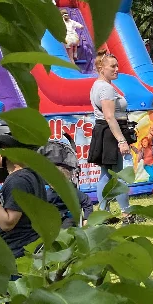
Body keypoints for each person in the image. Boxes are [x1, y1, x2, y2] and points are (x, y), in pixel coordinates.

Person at [88, 51, 136, 223]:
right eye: (113, 66)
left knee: (106, 174)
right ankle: (127, 214)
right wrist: (121, 140)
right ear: (101, 68)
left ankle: (103, 214)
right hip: (110, 133)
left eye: (117, 65)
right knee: (118, 174)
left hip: (106, 132)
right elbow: (109, 116)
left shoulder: (98, 85)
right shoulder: (106, 88)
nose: (117, 69)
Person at [0, 132, 46, 257]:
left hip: (19, 253)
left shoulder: (17, 180)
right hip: (32, 249)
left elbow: (8, 223)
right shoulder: (30, 175)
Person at [39, 138, 94, 228]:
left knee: (65, 227)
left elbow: (86, 201)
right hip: (52, 218)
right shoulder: (48, 194)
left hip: (69, 218)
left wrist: (87, 219)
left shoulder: (72, 192)